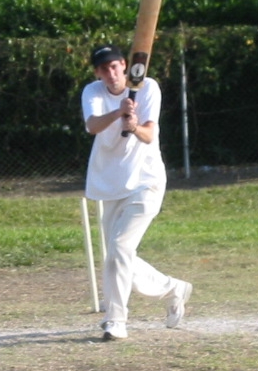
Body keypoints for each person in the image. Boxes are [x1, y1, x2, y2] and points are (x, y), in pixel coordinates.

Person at [81, 43, 192, 341]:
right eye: (104, 68)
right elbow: (92, 126)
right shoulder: (92, 92)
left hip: (146, 181)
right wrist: (119, 113)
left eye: (115, 66)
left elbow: (148, 134)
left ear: (124, 66)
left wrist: (134, 124)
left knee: (118, 249)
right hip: (110, 184)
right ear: (98, 73)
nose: (110, 72)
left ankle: (115, 320)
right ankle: (174, 288)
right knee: (119, 255)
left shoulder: (148, 88)